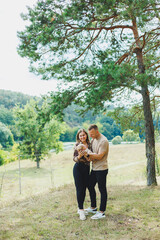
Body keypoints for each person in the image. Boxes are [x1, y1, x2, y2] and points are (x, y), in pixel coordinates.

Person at [85, 124, 109, 220]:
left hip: (102, 169)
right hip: (94, 168)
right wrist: (86, 154)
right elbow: (91, 155)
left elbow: (99, 156)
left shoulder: (103, 141)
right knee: (90, 185)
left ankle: (102, 212)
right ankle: (93, 207)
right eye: (89, 134)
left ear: (97, 131)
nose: (91, 136)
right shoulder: (93, 139)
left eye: (92, 134)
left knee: (102, 189)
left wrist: (88, 153)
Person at [73, 129, 92, 220]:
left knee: (84, 189)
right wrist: (79, 156)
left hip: (86, 168)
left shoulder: (90, 145)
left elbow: (91, 158)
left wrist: (86, 155)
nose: (82, 137)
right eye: (80, 136)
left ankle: (80, 208)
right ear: (78, 137)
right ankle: (81, 210)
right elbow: (74, 158)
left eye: (84, 135)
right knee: (79, 189)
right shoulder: (77, 145)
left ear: (86, 135)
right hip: (78, 168)